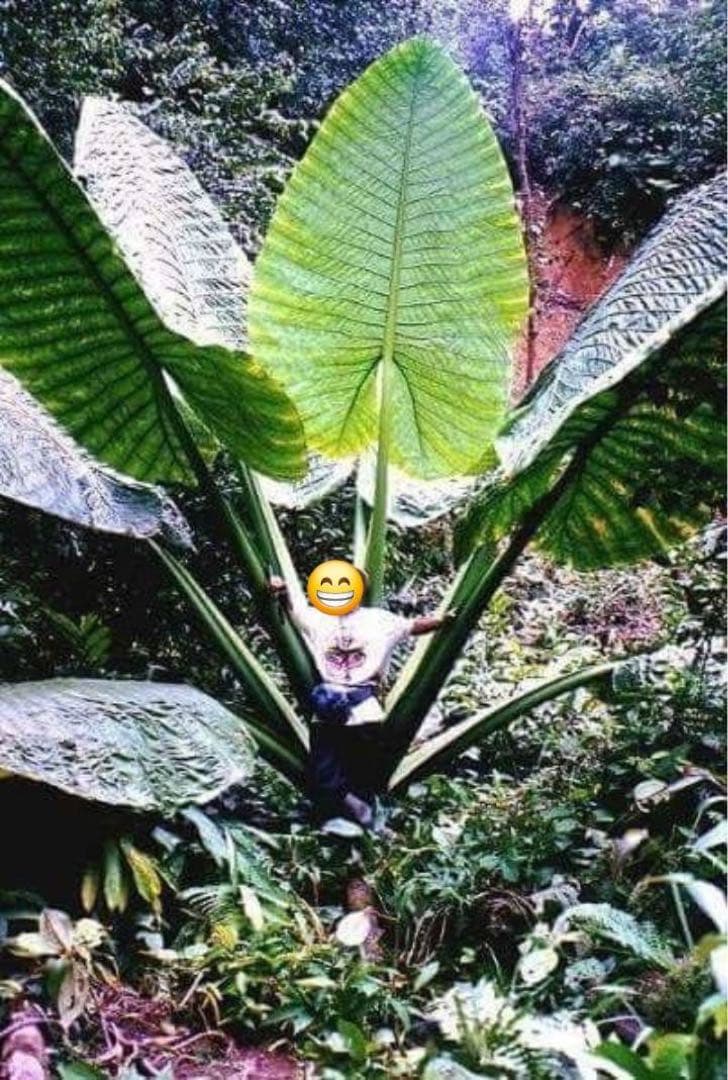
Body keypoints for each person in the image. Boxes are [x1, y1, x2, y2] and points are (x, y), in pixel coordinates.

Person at [270, 558, 452, 828]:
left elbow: (414, 626)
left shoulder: (374, 620)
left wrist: (442, 621)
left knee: (348, 773)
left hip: (356, 710)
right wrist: (282, 591)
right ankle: (362, 818)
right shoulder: (322, 618)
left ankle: (362, 823)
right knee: (337, 774)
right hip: (337, 708)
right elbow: (293, 610)